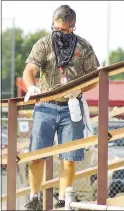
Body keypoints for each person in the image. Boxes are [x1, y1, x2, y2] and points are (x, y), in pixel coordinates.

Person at [23, 5, 100, 210]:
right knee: (37, 156)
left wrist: (78, 89)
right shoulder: (44, 43)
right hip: (46, 106)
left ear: (72, 27)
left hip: (71, 107)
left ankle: (65, 199)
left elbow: (96, 77)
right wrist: (31, 86)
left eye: (64, 30)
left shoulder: (83, 47)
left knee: (69, 158)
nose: (59, 33)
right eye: (56, 29)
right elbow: (29, 69)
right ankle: (34, 198)